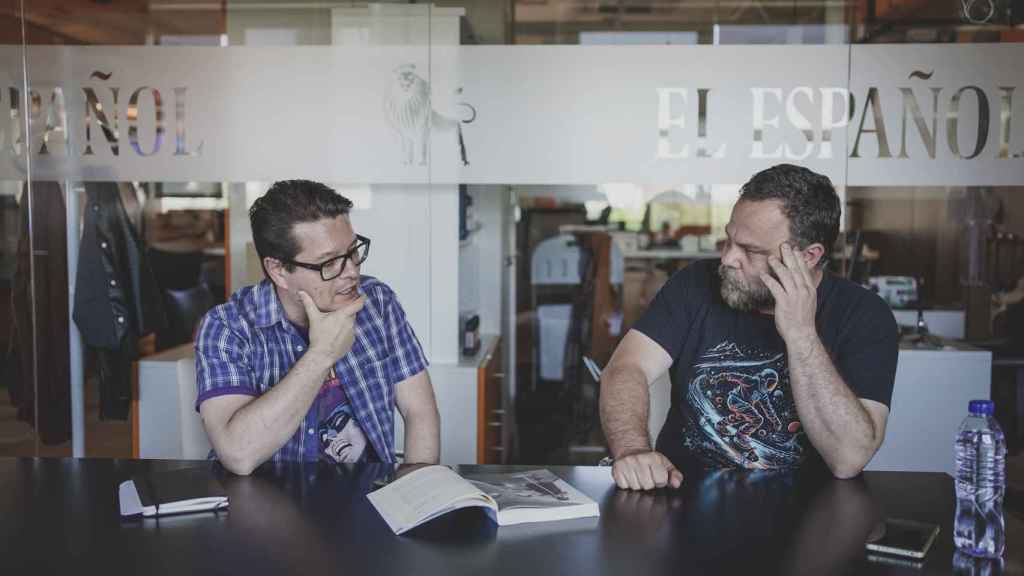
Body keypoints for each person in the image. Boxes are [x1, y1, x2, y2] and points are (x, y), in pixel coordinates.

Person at [599, 164, 897, 490]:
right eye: (729, 239)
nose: (728, 258)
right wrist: (633, 450)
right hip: (683, 497)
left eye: (751, 250)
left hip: (810, 510)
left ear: (809, 256)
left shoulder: (863, 314)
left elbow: (849, 459)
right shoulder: (694, 285)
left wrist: (801, 334)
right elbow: (626, 367)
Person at [195, 180, 440, 475]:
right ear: (278, 270)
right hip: (265, 499)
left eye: (352, 252)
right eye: (330, 263)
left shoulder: (378, 303)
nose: (351, 272)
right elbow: (238, 455)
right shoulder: (227, 327)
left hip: (367, 493)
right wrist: (322, 353)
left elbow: (419, 411)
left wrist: (418, 492)